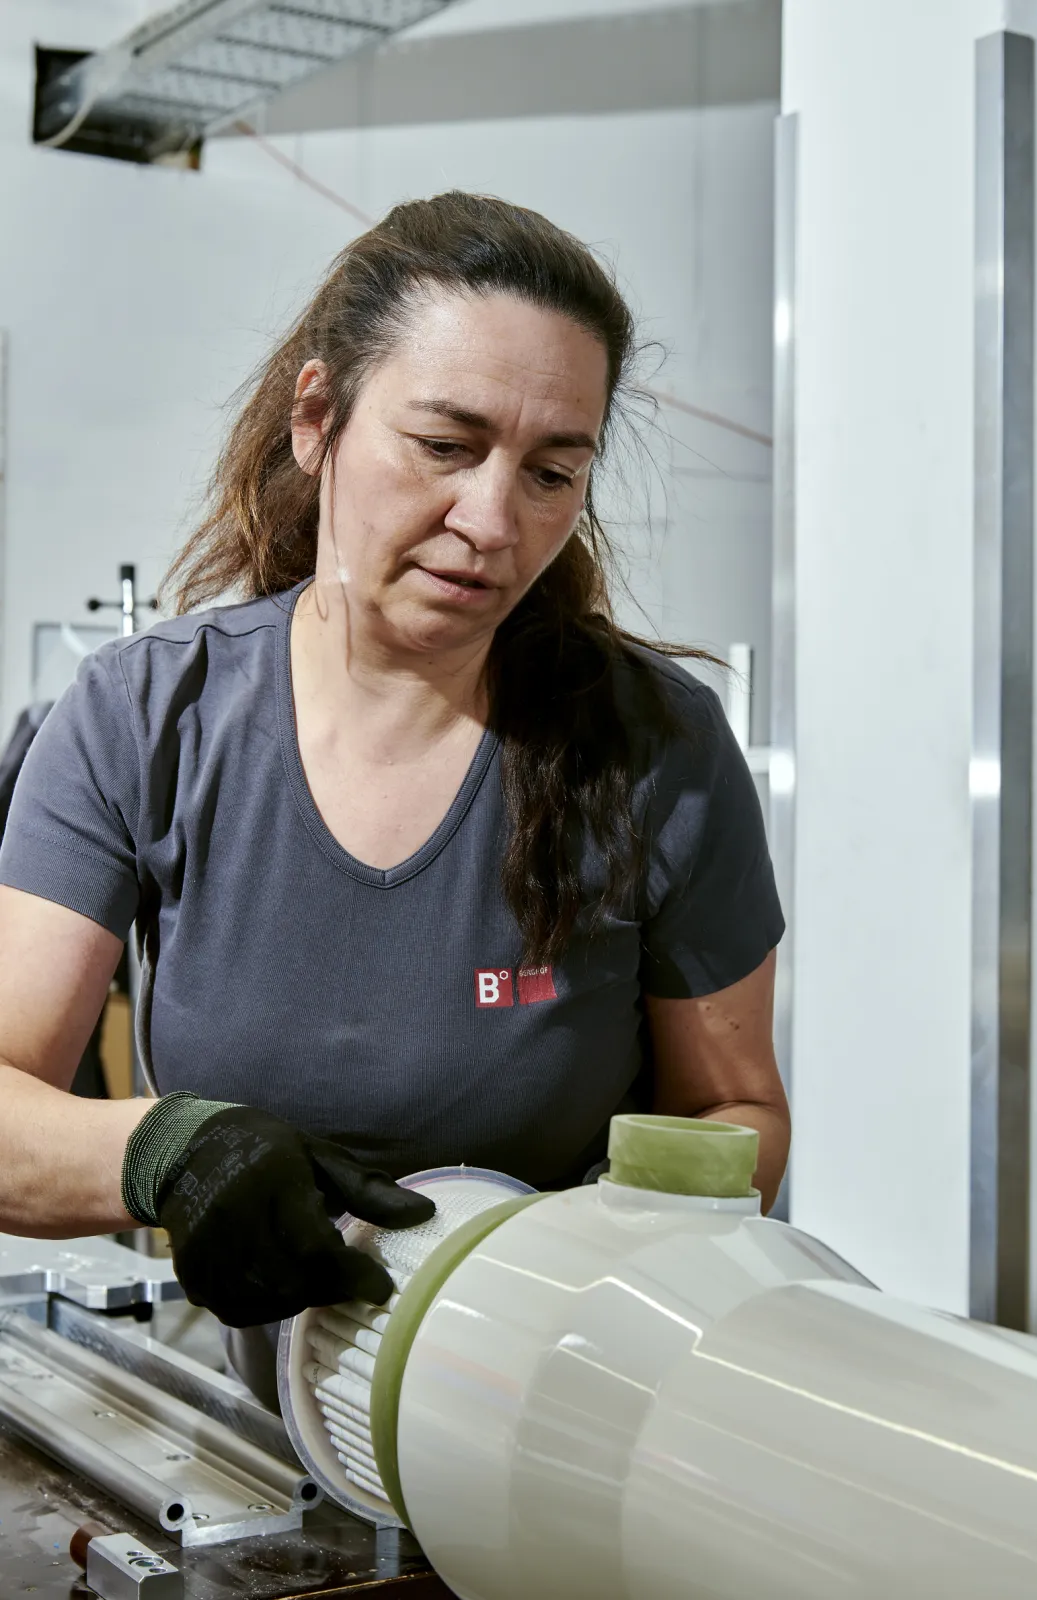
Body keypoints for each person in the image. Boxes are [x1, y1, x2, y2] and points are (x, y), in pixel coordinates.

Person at [0, 192, 788, 1406]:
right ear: (317, 418)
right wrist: (170, 1149)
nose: (490, 521)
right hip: (259, 1413)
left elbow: (732, 1102)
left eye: (549, 471)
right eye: (444, 444)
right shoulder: (142, 720)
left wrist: (623, 1268)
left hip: (553, 1402)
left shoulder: (653, 749)